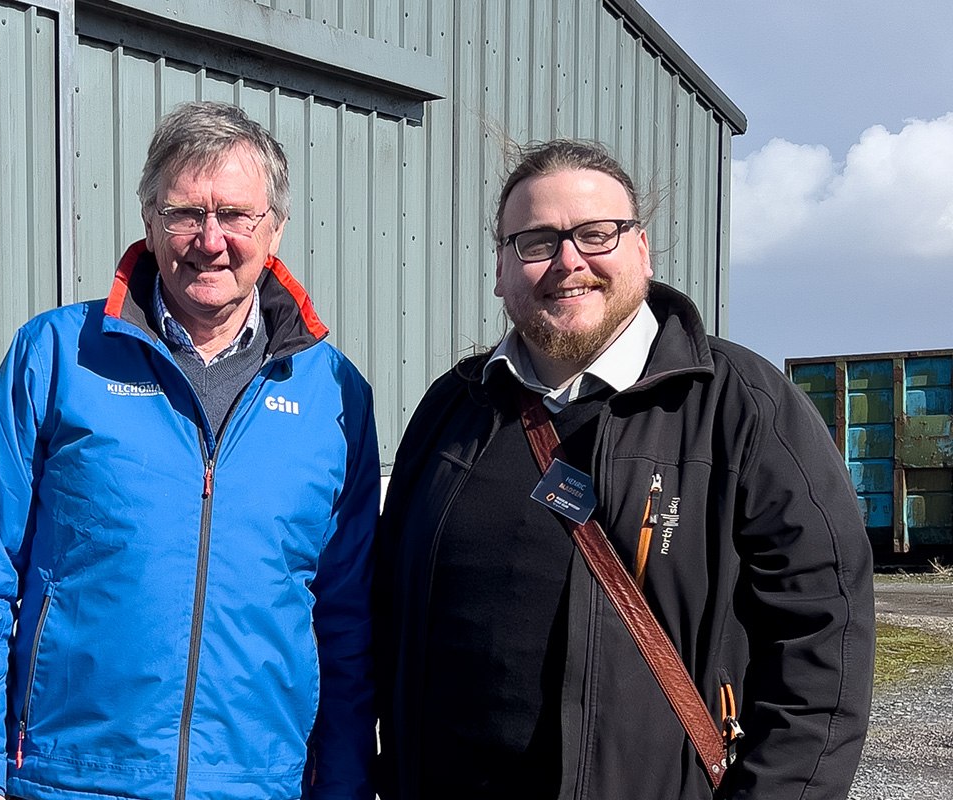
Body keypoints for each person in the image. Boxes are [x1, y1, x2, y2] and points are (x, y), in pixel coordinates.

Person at [372, 139, 875, 799]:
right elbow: (386, 611)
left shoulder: (740, 404)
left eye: (596, 234)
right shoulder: (454, 408)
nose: (568, 261)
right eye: (536, 241)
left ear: (641, 251)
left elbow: (822, 636)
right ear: (500, 268)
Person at [0, 101, 379, 800]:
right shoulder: (56, 356)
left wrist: (346, 784)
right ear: (148, 220)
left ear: (276, 228)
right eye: (183, 214)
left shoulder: (333, 394)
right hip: (70, 779)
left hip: (261, 783)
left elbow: (345, 617)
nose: (210, 239)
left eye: (236, 214)